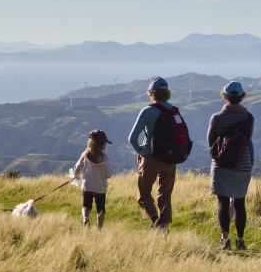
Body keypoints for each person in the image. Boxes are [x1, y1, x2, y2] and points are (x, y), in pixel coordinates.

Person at [127, 77, 191, 229]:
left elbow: (132, 137)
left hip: (151, 158)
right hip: (171, 159)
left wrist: (141, 151)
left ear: (151, 93)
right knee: (165, 196)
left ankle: (155, 220)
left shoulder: (148, 111)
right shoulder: (174, 111)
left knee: (143, 193)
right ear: (167, 93)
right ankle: (164, 229)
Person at [208, 82, 255, 251]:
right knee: (240, 203)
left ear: (224, 96)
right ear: (242, 96)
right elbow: (247, 141)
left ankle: (224, 239)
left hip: (222, 164)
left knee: (222, 201)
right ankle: (241, 241)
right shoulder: (248, 118)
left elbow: (211, 142)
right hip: (243, 164)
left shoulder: (217, 118)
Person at [72, 130, 114, 229]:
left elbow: (77, 167)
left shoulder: (85, 155)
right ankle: (99, 228)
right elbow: (109, 174)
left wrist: (76, 176)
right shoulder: (106, 159)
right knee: (101, 208)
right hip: (100, 188)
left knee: (86, 205)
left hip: (87, 186)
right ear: (103, 144)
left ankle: (85, 218)